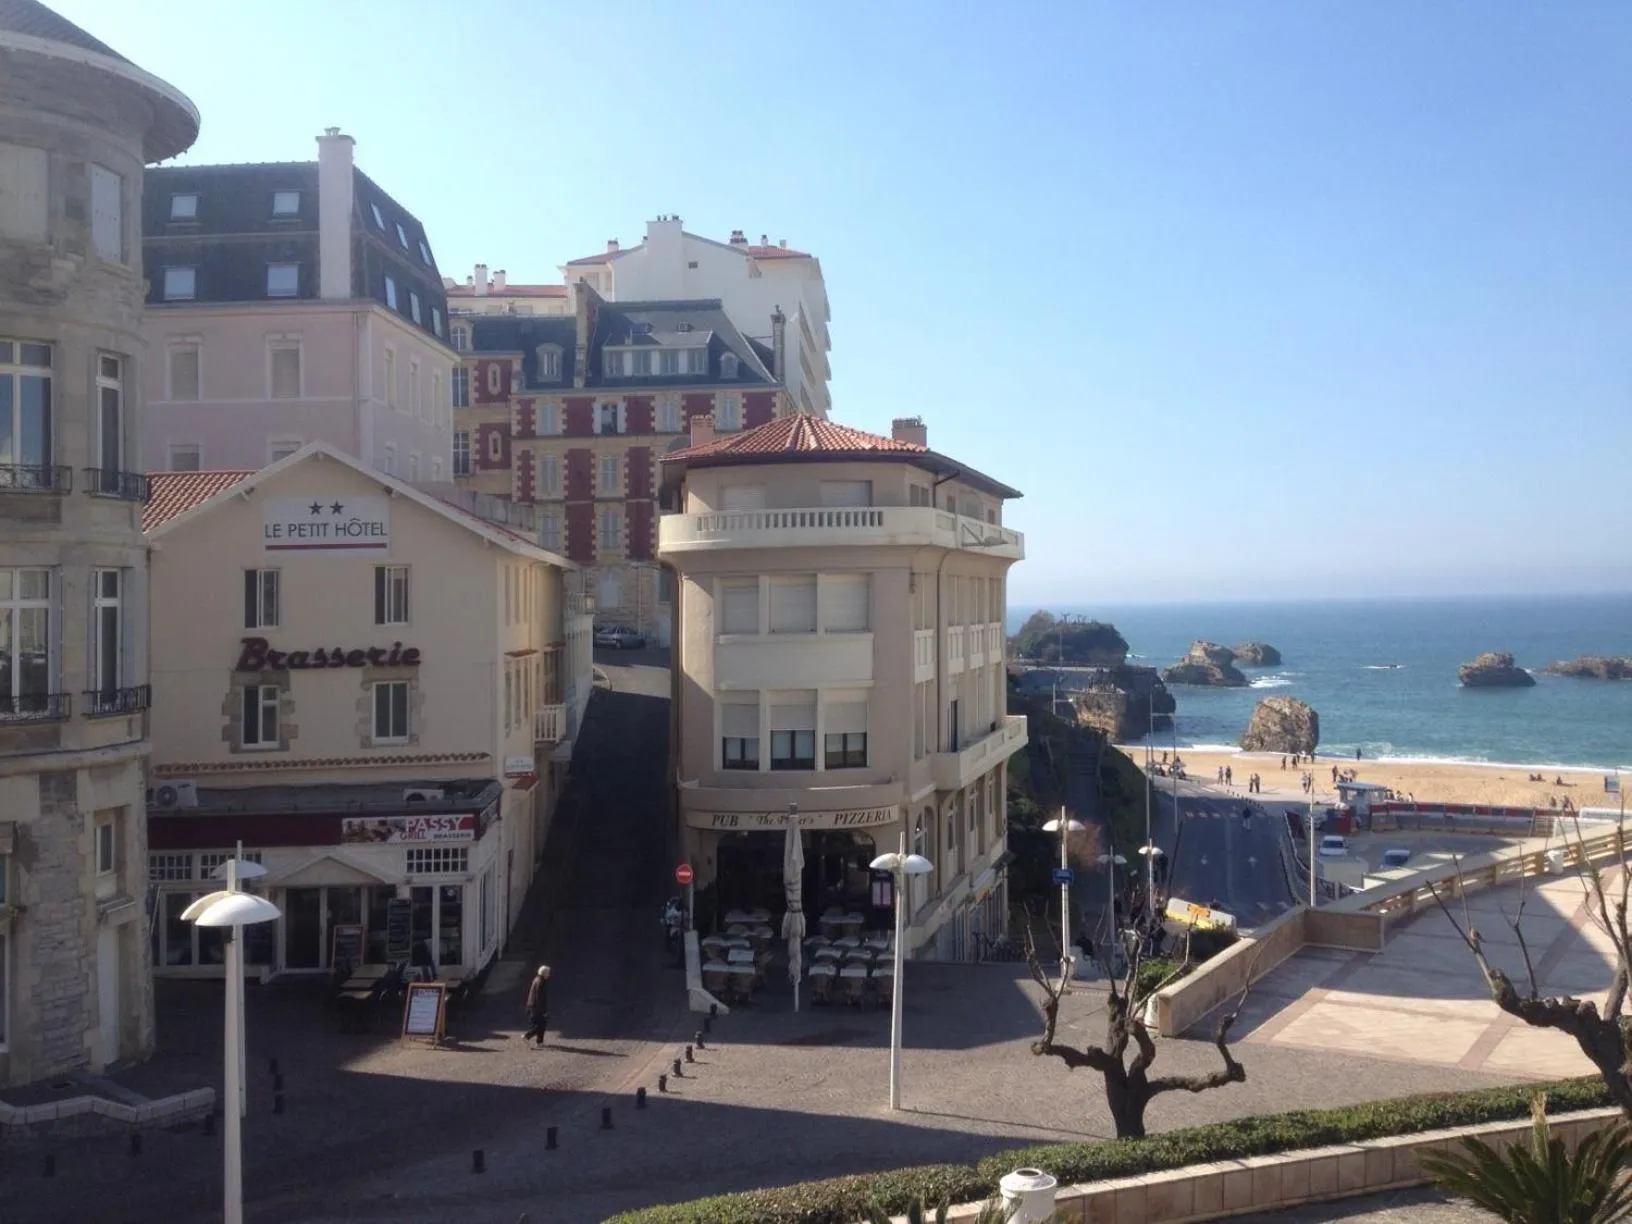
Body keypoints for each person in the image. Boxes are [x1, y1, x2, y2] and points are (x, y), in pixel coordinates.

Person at [524, 965, 551, 1048]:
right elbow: (539, 997)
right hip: (537, 1007)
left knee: (540, 1024)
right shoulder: (541, 982)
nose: (549, 975)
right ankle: (527, 1036)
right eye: (548, 973)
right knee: (540, 1025)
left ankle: (540, 1042)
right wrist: (543, 1010)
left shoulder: (537, 979)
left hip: (533, 1005)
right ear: (544, 973)